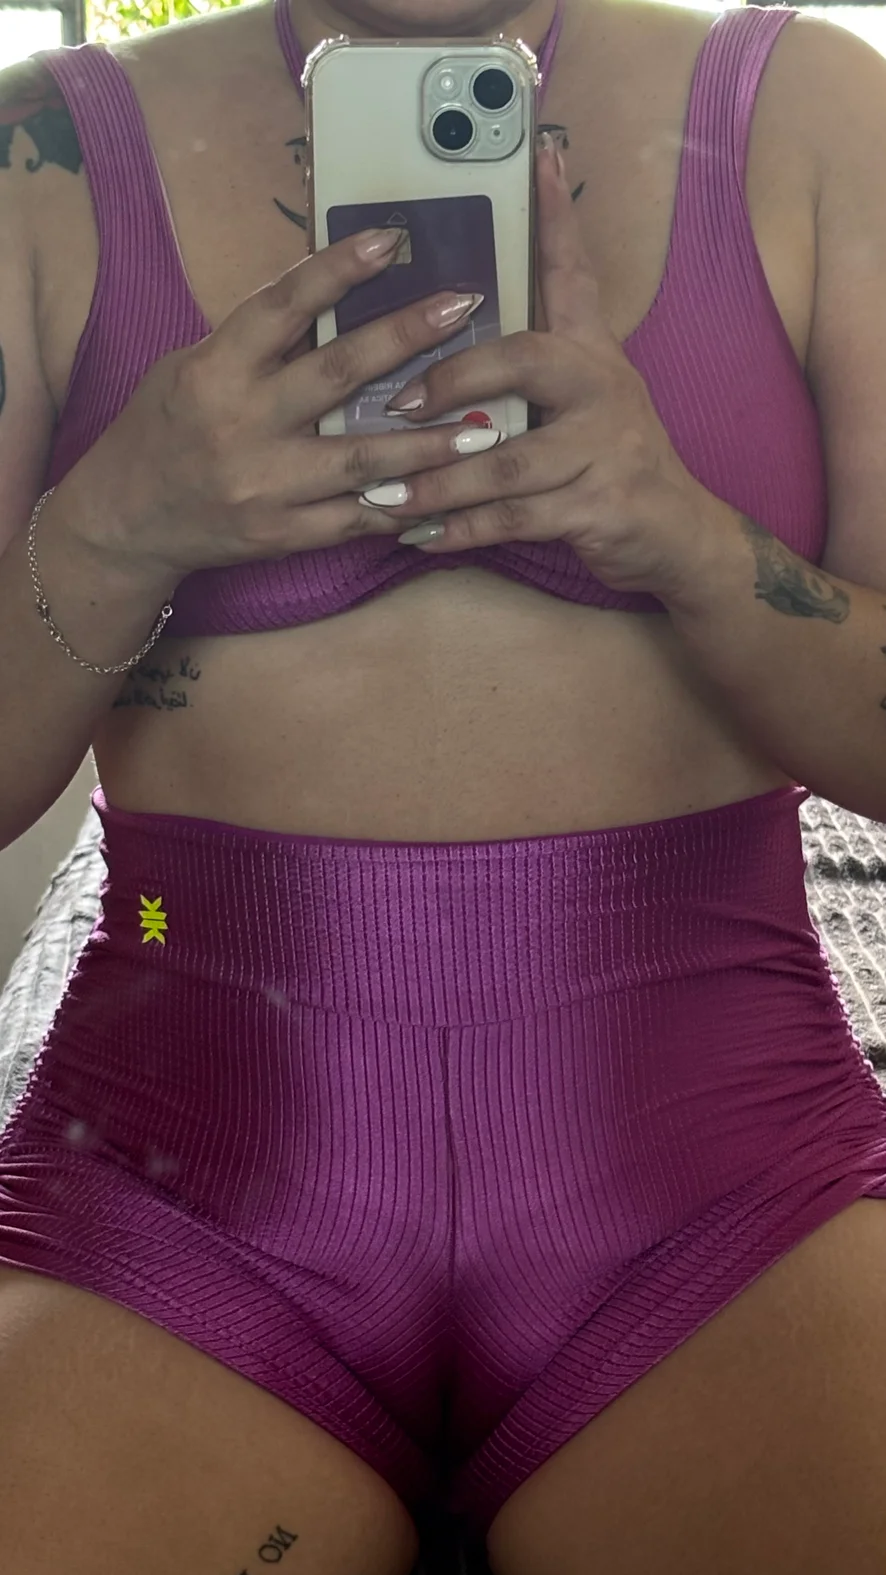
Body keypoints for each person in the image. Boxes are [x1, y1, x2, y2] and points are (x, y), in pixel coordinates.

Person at [1, 0, 886, 1565]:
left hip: (727, 1180)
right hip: (168, 1183)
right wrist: (111, 529)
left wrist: (680, 532)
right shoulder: (41, 158)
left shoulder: (812, 112)